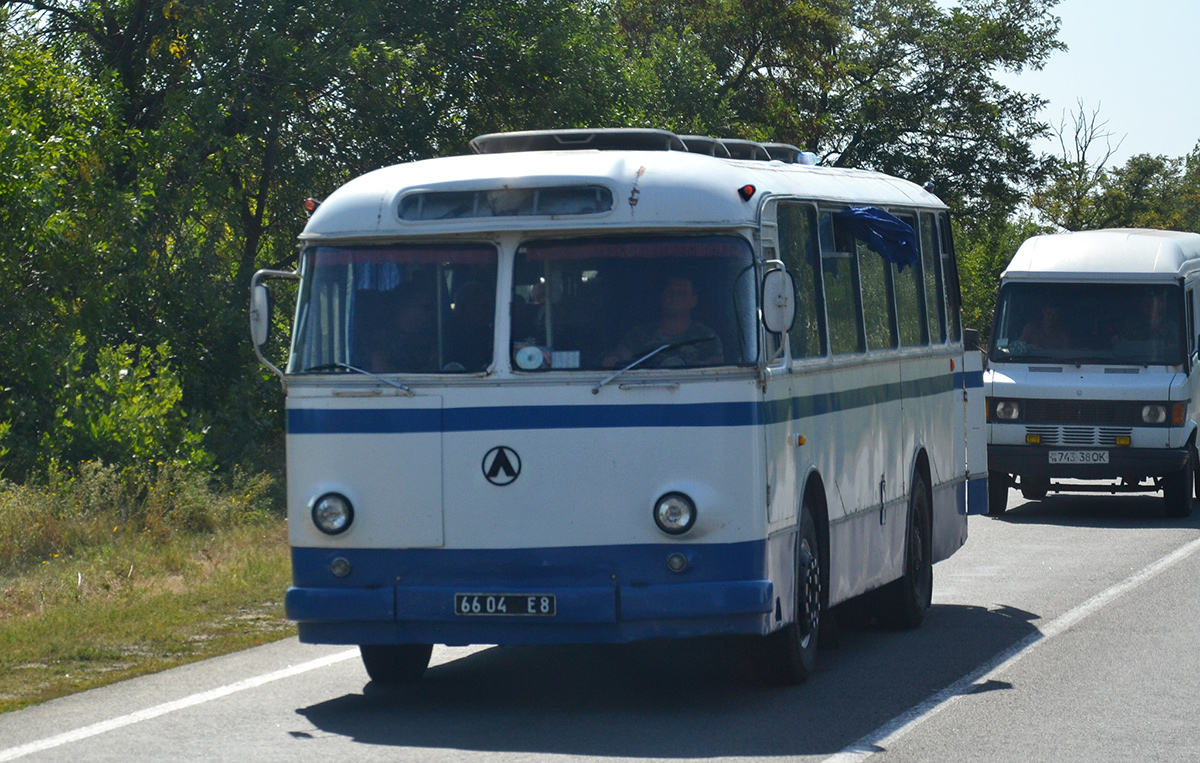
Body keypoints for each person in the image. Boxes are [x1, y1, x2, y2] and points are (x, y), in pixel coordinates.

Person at [603, 275, 723, 368]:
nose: (675, 298)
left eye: (682, 293)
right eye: (670, 292)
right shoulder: (640, 334)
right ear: (662, 297)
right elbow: (620, 357)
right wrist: (613, 359)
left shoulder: (706, 336)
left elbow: (717, 368)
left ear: (694, 300)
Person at [367, 281, 437, 372]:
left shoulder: (432, 338)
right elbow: (379, 369)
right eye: (427, 307)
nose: (432, 312)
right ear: (407, 306)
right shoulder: (382, 339)